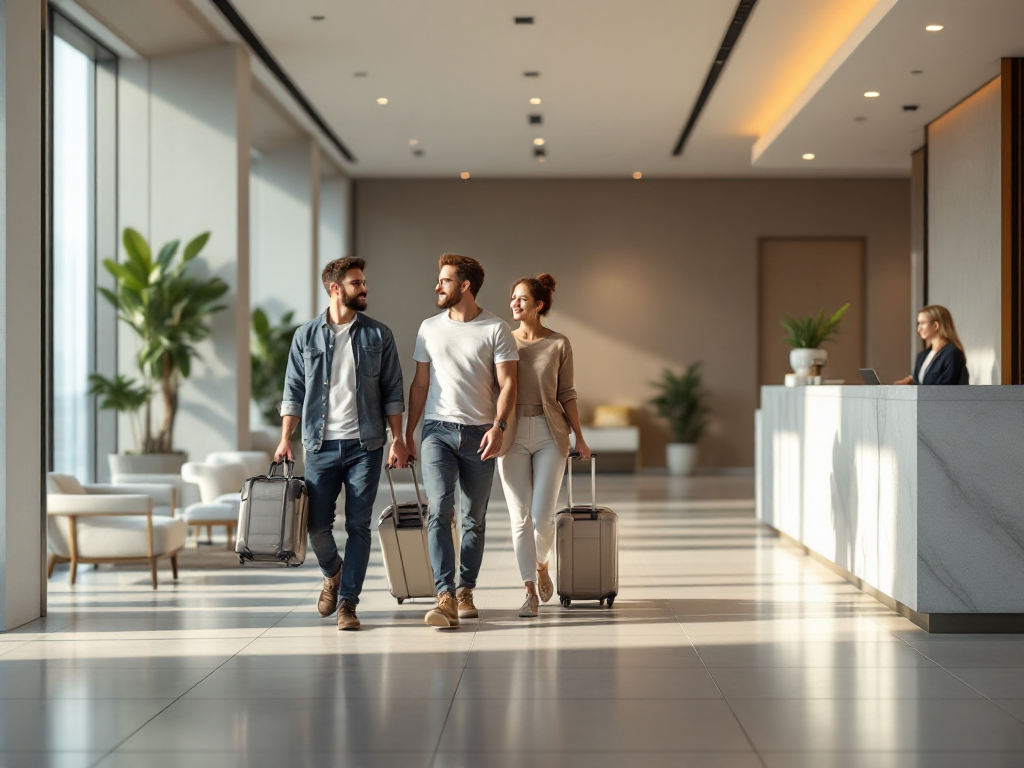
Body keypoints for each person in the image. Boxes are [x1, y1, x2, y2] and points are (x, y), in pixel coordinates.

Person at [277, 257, 408, 631]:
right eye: (356, 283)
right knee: (316, 525)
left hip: (365, 445)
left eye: (363, 282)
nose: (364, 288)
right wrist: (285, 437)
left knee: (359, 526)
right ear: (335, 289)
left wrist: (398, 438)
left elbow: (392, 392)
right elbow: (294, 390)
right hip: (319, 444)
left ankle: (348, 603)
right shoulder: (305, 336)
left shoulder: (378, 335)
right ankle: (332, 571)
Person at [406, 253, 518, 629]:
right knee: (439, 510)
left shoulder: (496, 329)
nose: (437, 286)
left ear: (465, 285)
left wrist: (498, 426)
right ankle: (445, 594)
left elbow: (509, 385)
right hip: (436, 431)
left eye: (445, 280)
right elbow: (420, 385)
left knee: (474, 518)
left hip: (480, 434)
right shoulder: (429, 327)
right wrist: (407, 434)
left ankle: (466, 587)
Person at [498, 274, 591, 618]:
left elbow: (567, 393)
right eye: (513, 298)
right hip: (512, 433)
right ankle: (529, 592)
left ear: (539, 306)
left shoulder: (559, 343)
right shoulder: (503, 341)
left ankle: (541, 564)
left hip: (552, 433)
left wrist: (579, 437)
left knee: (542, 516)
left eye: (523, 299)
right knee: (519, 518)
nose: (515, 304)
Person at [894, 304, 969, 386]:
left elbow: (947, 387)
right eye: (918, 324)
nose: (919, 329)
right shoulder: (922, 356)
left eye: (922, 323)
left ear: (936, 326)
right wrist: (910, 382)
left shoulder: (951, 353)